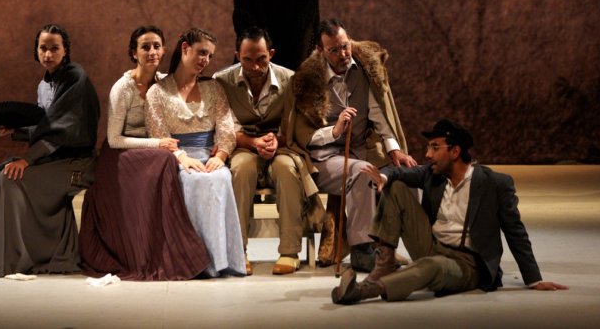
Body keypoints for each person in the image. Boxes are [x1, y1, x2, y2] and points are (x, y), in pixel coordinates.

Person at [332, 119, 569, 304]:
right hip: (431, 246)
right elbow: (398, 172)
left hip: (467, 264)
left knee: (432, 266)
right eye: (429, 147)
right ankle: (384, 265)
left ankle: (362, 291)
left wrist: (533, 279)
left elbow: (515, 231)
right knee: (396, 187)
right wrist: (383, 177)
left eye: (435, 147)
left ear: (455, 152)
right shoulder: (432, 174)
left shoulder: (494, 184)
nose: (428, 154)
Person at [0, 23, 100, 277]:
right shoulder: (44, 84)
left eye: (55, 48)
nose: (48, 54)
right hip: (54, 156)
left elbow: (62, 131)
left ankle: (12, 259)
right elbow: (46, 127)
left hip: (77, 161)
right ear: (36, 50)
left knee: (11, 178)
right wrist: (13, 130)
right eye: (43, 48)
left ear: (66, 50)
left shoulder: (76, 78)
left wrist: (27, 160)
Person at [283, 18, 416, 272]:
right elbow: (302, 136)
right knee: (361, 172)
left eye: (345, 46)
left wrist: (394, 149)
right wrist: (334, 130)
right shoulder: (307, 82)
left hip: (361, 149)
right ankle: (362, 251)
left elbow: (379, 114)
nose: (343, 54)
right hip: (323, 159)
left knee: (405, 173)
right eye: (334, 50)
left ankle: (388, 247)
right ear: (321, 51)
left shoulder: (365, 71)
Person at [79, 26, 210, 281]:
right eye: (145, 47)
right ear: (134, 53)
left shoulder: (164, 82)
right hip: (120, 154)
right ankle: (150, 252)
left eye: (157, 46)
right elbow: (115, 139)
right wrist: (158, 143)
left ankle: (168, 248)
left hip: (150, 151)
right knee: (164, 159)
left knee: (165, 159)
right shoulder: (123, 88)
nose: (152, 52)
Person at [214, 27, 323, 275]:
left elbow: (296, 126)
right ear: (237, 56)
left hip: (281, 147)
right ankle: (237, 251)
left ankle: (290, 251)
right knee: (240, 168)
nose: (255, 66)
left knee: (287, 169)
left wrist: (277, 140)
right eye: (247, 60)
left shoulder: (290, 80)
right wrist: (253, 143)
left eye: (261, 59)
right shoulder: (222, 81)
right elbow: (224, 127)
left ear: (271, 54)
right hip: (242, 145)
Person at [145, 27, 246, 277]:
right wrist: (182, 158)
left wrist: (220, 157)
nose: (206, 60)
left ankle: (220, 260)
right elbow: (158, 135)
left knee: (220, 177)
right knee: (193, 180)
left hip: (209, 155)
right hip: (175, 159)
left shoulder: (214, 89)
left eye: (210, 56)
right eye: (202, 53)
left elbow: (226, 129)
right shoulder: (157, 92)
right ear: (185, 48)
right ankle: (194, 260)